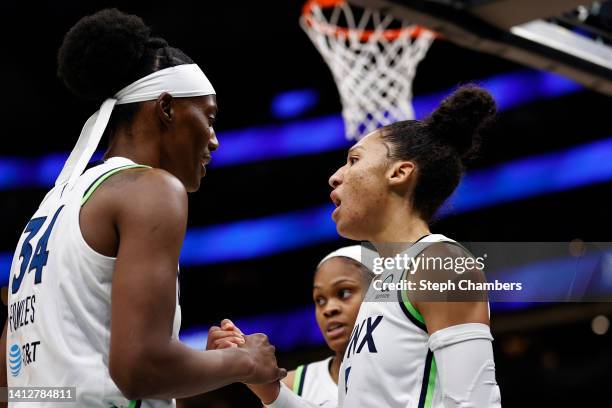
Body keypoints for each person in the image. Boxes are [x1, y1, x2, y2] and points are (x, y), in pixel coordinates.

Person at [1, 9, 284, 408]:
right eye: (209, 116)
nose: (215, 140)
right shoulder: (151, 189)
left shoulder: (50, 208)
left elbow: (10, 385)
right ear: (166, 108)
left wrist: (197, 364)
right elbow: (140, 371)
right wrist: (244, 361)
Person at [241, 85, 502, 407]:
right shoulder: (382, 284)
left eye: (354, 160)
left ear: (400, 172)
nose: (335, 177)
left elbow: (475, 402)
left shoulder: (439, 262)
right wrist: (270, 390)